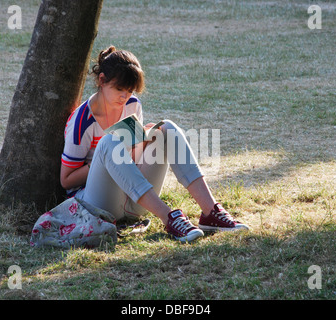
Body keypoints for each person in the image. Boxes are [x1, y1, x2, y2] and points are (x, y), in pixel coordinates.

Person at [60, 46, 249, 242]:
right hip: (97, 205)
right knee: (109, 142)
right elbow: (66, 180)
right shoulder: (82, 120)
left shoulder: (132, 105)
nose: (125, 97)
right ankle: (170, 218)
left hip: (133, 201)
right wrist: (104, 159)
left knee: (167, 128)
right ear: (102, 81)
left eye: (130, 90)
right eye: (119, 89)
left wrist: (143, 140)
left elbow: (131, 161)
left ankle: (211, 212)